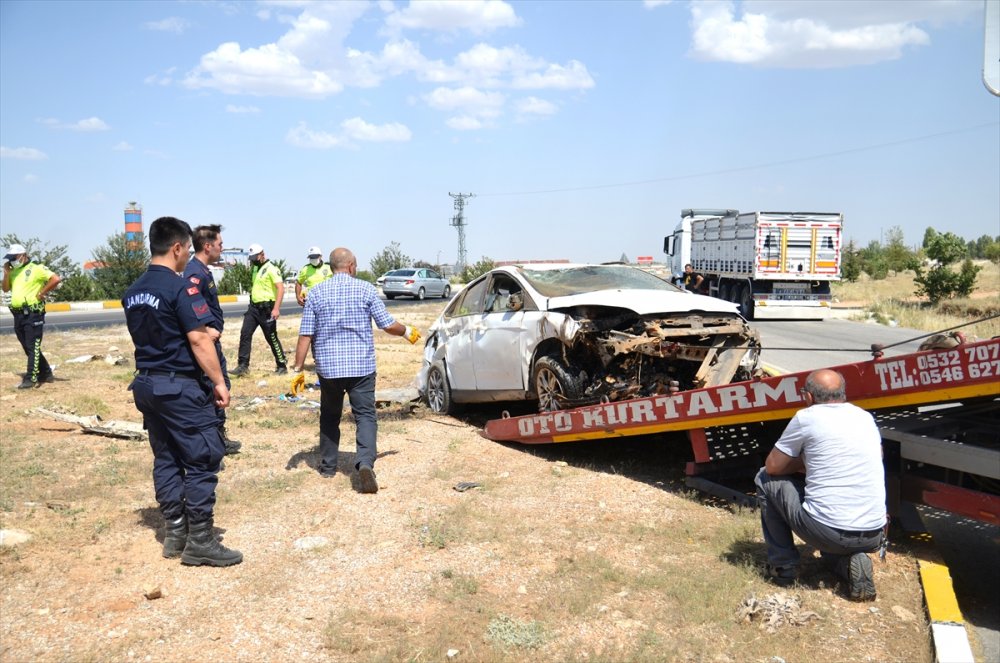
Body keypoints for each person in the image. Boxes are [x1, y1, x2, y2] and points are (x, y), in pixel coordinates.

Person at [122, 216, 241, 567]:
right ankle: (201, 539)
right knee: (203, 456)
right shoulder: (179, 288)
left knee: (167, 456)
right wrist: (219, 382)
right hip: (179, 386)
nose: (187, 255)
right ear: (176, 248)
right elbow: (199, 338)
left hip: (146, 383)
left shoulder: (133, 291)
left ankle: (175, 531)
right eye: (186, 249)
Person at [290, 247, 422, 493]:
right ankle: (364, 464)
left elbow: (305, 335)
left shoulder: (316, 292)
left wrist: (298, 369)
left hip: (329, 369)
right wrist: (406, 331)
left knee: (330, 416)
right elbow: (386, 324)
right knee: (365, 416)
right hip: (361, 367)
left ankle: (328, 467)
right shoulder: (365, 289)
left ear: (331, 267)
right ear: (351, 266)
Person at [755, 369, 885, 601]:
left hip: (828, 531)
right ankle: (849, 563)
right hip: (874, 534)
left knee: (764, 479)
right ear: (843, 394)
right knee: (831, 543)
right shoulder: (864, 417)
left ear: (808, 397)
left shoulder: (807, 417)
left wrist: (805, 462)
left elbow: (773, 466)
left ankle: (783, 567)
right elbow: (878, 456)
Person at [182, 224, 241, 455]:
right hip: (206, 343)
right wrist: (205, 328)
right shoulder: (194, 273)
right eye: (220, 244)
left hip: (212, 342)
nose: (222, 248)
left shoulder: (203, 269)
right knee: (212, 389)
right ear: (208, 246)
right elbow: (189, 306)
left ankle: (218, 438)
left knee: (219, 387)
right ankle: (212, 443)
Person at [3, 243, 62, 389]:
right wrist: (6, 274)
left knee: (32, 346)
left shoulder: (36, 268)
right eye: (10, 258)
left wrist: (42, 293)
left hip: (33, 313)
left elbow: (55, 279)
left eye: (14, 257)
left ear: (23, 255)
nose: (12, 260)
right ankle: (46, 373)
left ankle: (31, 379)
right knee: (28, 346)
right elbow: (5, 289)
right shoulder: (14, 271)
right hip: (18, 315)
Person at [232, 243, 287, 376]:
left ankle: (281, 365)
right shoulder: (256, 268)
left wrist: (276, 309)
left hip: (267, 309)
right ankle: (243, 366)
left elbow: (280, 288)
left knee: (271, 337)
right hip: (253, 308)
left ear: (262, 254)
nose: (252, 260)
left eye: (254, 257)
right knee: (245, 333)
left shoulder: (271, 268)